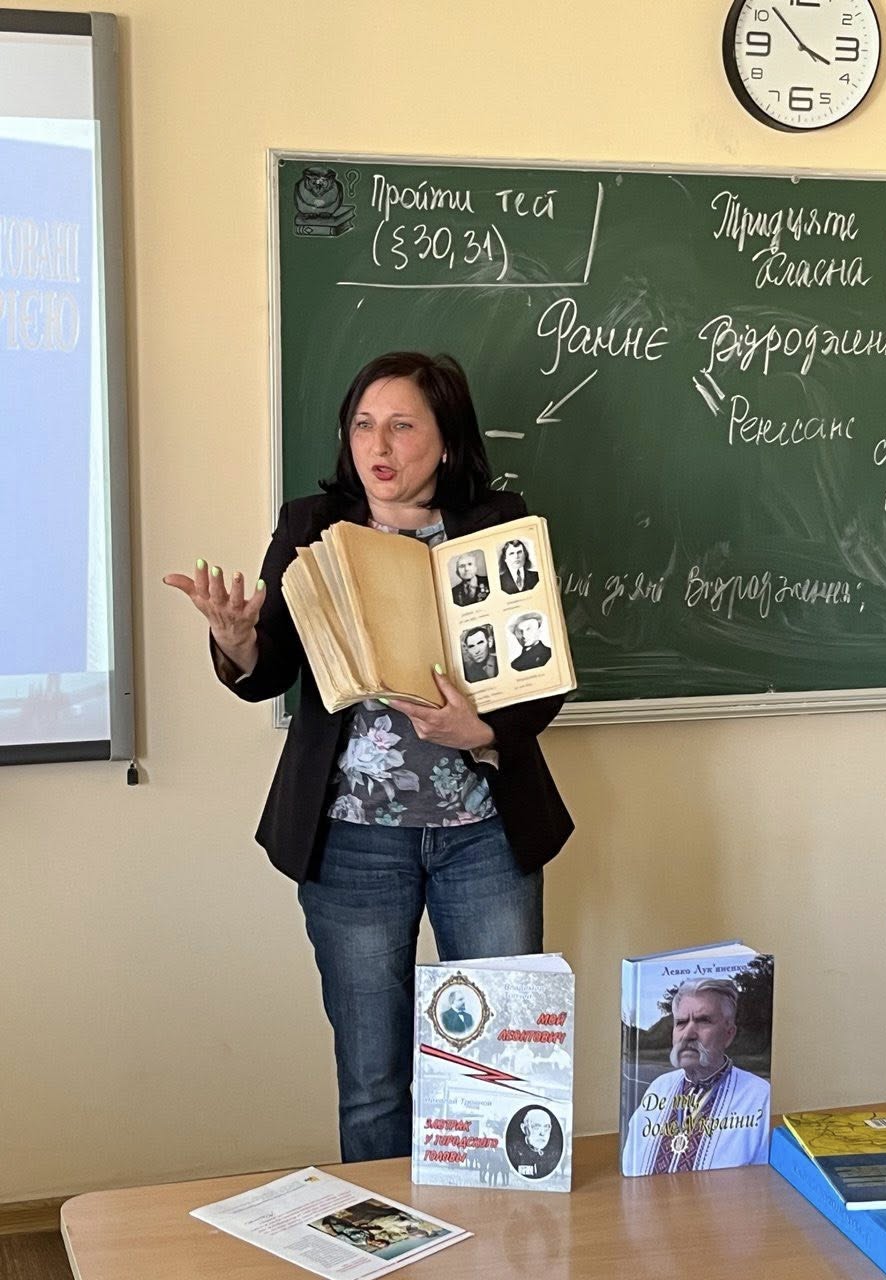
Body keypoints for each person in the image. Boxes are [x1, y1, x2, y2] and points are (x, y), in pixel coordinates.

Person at [163, 351, 573, 1164]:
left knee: (502, 1062)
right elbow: (271, 669)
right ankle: (387, 1228)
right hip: (351, 839)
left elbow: (539, 674)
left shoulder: (497, 524)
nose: (378, 445)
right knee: (373, 1079)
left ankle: (502, 1226)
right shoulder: (310, 526)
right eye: (362, 425)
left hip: (483, 835)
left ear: (446, 441)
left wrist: (483, 733)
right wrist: (238, 640)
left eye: (402, 426)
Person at [621, 978, 770, 1175]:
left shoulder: (760, 1098)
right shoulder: (659, 1088)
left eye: (703, 1021)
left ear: (729, 1034)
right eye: (681, 1023)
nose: (688, 1034)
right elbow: (630, 1166)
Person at [506, 1106, 563, 1179]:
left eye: (546, 1127)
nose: (542, 1133)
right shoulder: (513, 1152)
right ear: (524, 1128)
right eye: (536, 1127)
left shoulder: (555, 1154)